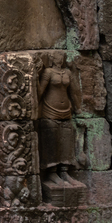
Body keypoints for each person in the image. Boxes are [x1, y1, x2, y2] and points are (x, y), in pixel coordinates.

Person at [37, 55, 81, 187]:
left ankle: (64, 171)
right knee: (52, 139)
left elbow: (73, 92)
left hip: (66, 110)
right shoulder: (48, 72)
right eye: (56, 57)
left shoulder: (67, 72)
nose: (59, 59)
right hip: (50, 110)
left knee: (67, 138)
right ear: (51, 59)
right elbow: (40, 92)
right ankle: (52, 172)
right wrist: (33, 79)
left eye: (61, 56)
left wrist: (78, 108)